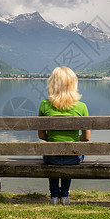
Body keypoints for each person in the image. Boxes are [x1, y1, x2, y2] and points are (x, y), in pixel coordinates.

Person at [38, 66, 91, 205]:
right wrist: (73, 140)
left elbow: (41, 135)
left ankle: (54, 195)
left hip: (51, 158)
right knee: (73, 152)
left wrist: (55, 138)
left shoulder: (44, 105)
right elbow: (86, 138)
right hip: (73, 158)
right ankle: (65, 196)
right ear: (73, 84)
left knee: (52, 152)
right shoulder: (82, 107)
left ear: (52, 84)